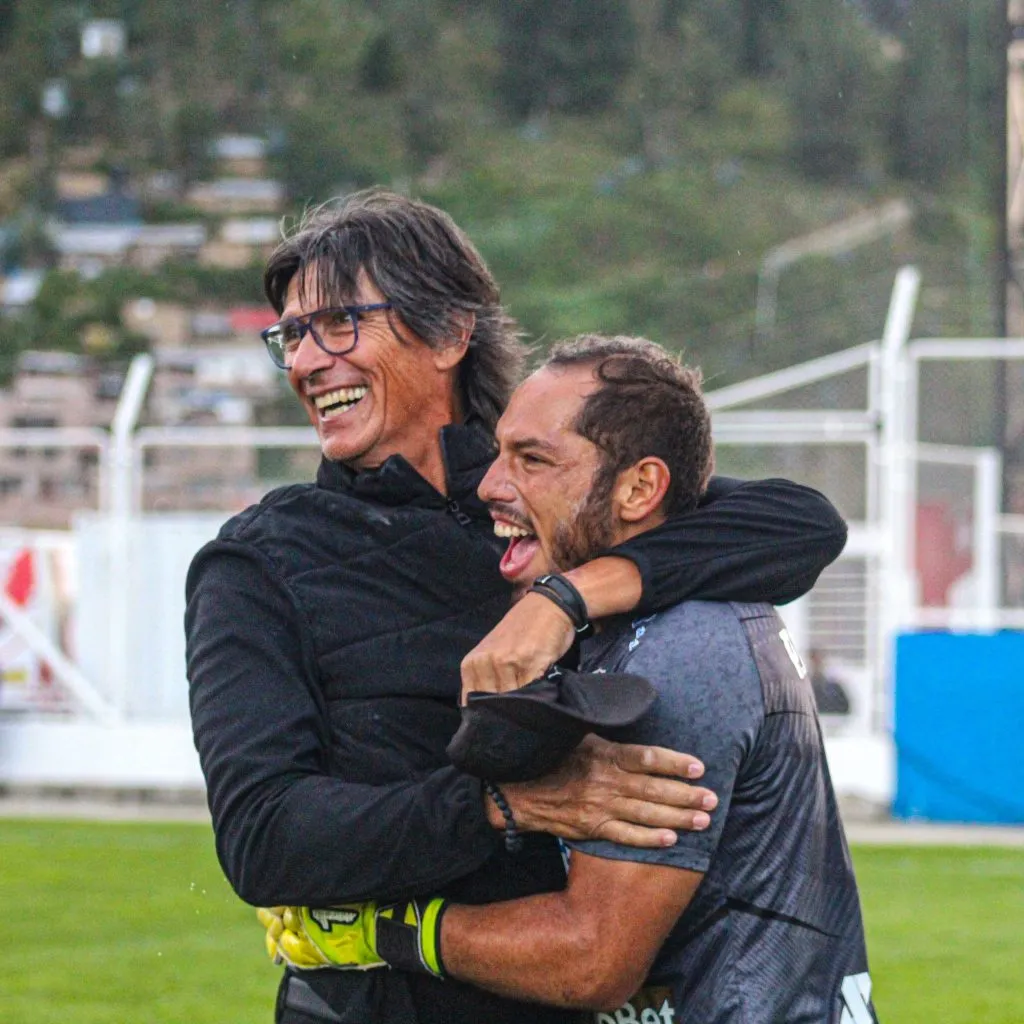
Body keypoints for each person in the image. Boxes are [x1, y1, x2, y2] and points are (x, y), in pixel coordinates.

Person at [186, 191, 848, 1024]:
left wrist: (563, 600)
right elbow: (265, 837)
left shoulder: (551, 494)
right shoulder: (260, 561)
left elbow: (800, 524)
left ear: (450, 333)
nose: (307, 362)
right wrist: (506, 803)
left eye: (340, 324)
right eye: (291, 336)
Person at [267, 335, 876, 1024]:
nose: (490, 485)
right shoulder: (646, 613)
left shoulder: (679, 646)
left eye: (531, 459)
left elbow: (590, 960)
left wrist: (381, 932)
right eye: (499, 453)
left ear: (641, 488)